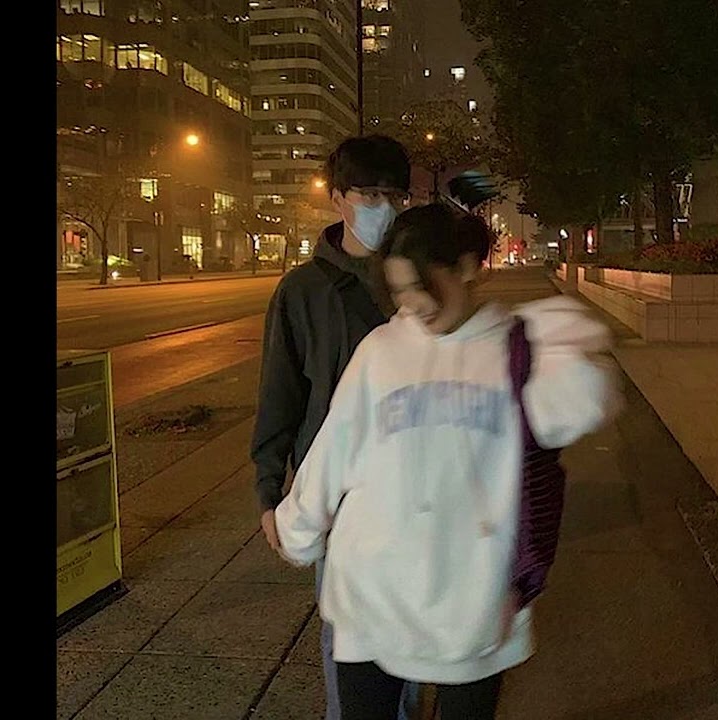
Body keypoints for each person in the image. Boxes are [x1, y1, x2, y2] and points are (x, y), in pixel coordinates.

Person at [273, 204, 622, 719]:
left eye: (422, 285)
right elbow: (334, 449)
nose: (413, 304)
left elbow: (580, 407)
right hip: (373, 591)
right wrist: (296, 527)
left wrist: (561, 347)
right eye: (399, 291)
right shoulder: (381, 349)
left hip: (472, 599)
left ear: (466, 267)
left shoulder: (517, 351)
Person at [250, 134, 423, 720]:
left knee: (412, 627)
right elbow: (280, 396)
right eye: (369, 194)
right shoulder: (302, 291)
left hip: (413, 482)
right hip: (340, 494)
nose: (384, 208)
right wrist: (269, 492)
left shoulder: (417, 281)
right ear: (337, 198)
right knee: (347, 635)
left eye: (394, 195)